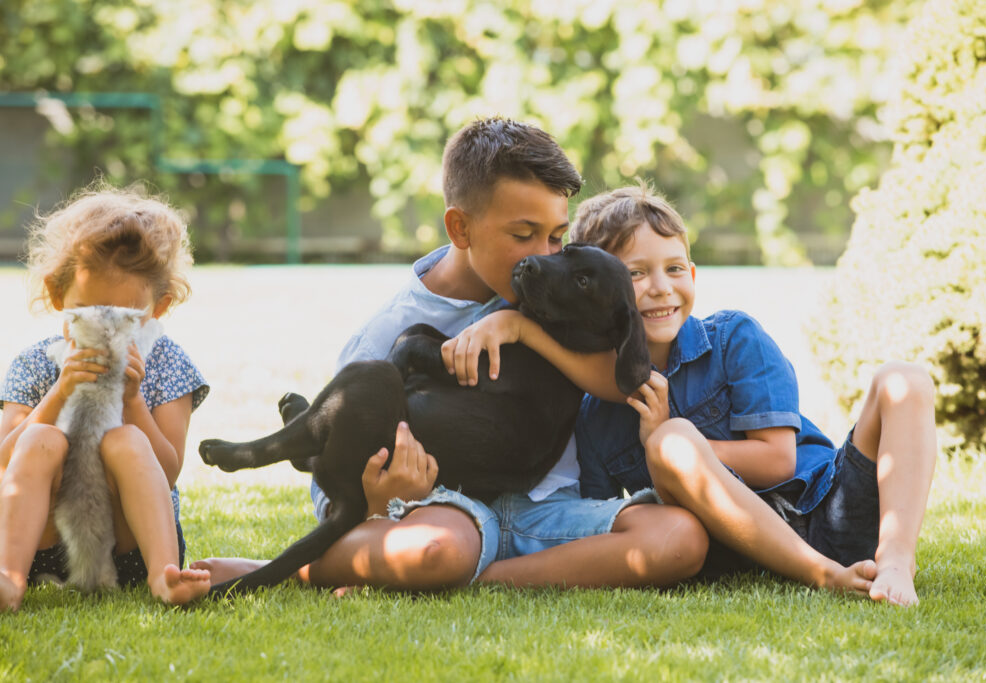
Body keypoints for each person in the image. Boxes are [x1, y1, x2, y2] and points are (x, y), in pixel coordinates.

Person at [193, 118, 708, 593]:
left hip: (549, 512)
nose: (543, 256)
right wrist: (384, 500)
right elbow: (334, 487)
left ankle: (490, 578)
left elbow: (614, 377)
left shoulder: (549, 301)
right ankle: (288, 569)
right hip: (447, 514)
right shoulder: (385, 334)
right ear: (460, 229)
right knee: (434, 550)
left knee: (680, 537)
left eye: (556, 236)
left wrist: (520, 327)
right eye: (523, 235)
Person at [568, 184, 937, 606]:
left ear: (692, 275)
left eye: (673, 269)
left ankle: (894, 561)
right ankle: (820, 573)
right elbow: (600, 519)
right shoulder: (594, 415)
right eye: (635, 273)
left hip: (828, 507)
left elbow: (779, 460)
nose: (660, 287)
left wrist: (672, 436)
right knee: (670, 443)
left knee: (904, 379)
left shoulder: (732, 339)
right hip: (737, 550)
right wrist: (660, 450)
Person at [0, 186, 212, 611]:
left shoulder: (166, 364)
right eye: (88, 313)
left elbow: (167, 472)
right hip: (43, 544)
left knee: (126, 440)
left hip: (129, 549)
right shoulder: (36, 363)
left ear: (158, 307)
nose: (104, 331)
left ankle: (164, 578)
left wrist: (133, 403)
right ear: (59, 297)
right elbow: (7, 460)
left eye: (122, 319)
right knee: (43, 438)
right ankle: (9, 578)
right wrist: (59, 392)